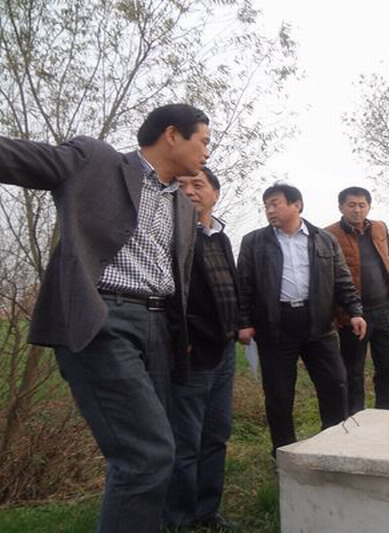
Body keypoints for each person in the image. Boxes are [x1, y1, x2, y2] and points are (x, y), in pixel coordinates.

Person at [0, 104, 210, 533]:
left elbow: (180, 278)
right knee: (146, 455)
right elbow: (19, 158)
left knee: (153, 454)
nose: (208, 151)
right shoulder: (97, 162)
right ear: (173, 134)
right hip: (104, 320)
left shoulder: (184, 207)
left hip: (157, 328)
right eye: (203, 141)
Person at [237, 184, 367, 457]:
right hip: (275, 326)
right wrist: (244, 322)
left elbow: (342, 280)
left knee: (335, 386)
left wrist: (355, 311)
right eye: (266, 205)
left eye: (275, 203)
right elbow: (244, 286)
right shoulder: (254, 242)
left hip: (319, 325)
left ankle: (333, 448)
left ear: (296, 205)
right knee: (279, 394)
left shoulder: (323, 239)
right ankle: (283, 452)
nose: (269, 210)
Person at [163, 168, 239, 532]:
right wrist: (179, 337)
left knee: (216, 435)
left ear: (215, 194)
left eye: (198, 185)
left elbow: (230, 289)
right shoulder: (170, 236)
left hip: (224, 351)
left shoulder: (220, 238)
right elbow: (167, 294)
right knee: (185, 441)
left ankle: (207, 511)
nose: (190, 191)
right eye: (181, 186)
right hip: (192, 354)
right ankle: (178, 519)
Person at [325, 187, 389, 414]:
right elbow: (326, 277)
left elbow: (388, 255)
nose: (357, 210)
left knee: (388, 368)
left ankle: (386, 414)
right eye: (351, 205)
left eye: (362, 205)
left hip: (383, 310)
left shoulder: (379, 228)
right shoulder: (328, 235)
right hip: (353, 315)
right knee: (353, 371)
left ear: (369, 207)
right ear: (341, 207)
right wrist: (337, 314)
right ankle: (356, 418)